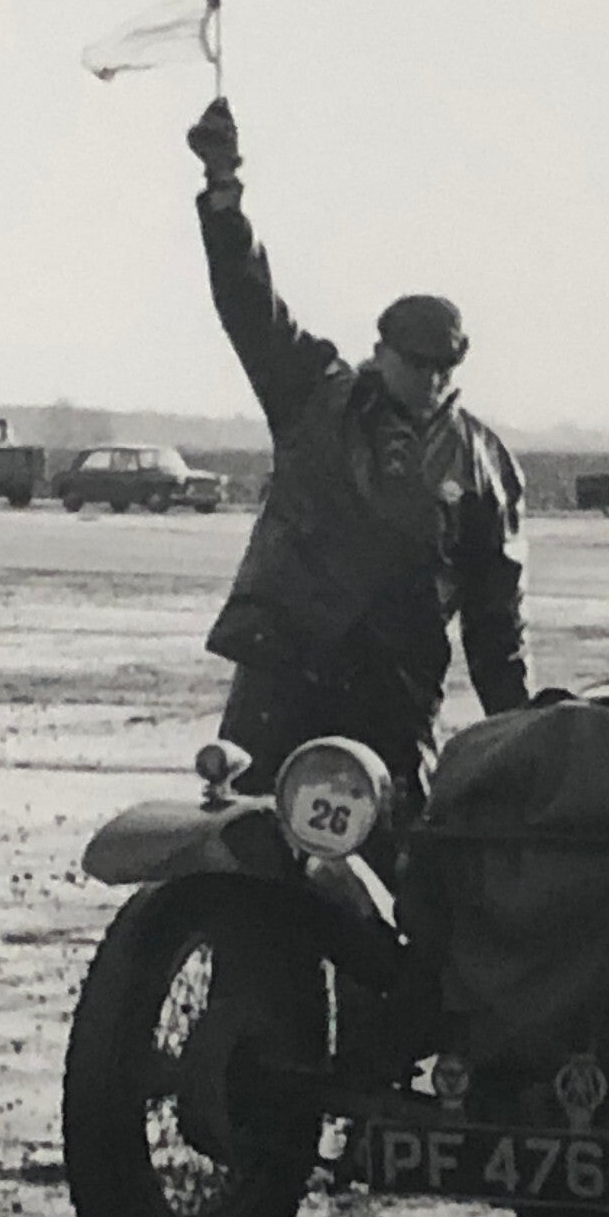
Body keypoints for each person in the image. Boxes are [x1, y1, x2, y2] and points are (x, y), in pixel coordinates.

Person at [185, 97, 531, 825]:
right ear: (381, 353)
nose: (431, 379)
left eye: (446, 366)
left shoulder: (483, 465)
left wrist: (519, 727)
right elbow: (248, 302)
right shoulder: (312, 393)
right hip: (285, 671)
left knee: (388, 861)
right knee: (251, 849)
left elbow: (495, 617)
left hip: (392, 692)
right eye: (418, 362)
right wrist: (224, 190)